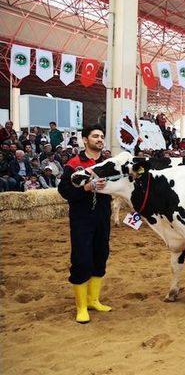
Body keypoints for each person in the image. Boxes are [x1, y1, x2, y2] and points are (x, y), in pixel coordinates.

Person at [58, 124, 112, 323]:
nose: (99, 139)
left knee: (101, 256)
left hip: (103, 216)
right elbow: (64, 191)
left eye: (102, 136)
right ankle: (81, 307)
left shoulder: (108, 163)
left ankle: (93, 300)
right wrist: (86, 188)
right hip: (81, 218)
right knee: (82, 260)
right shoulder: (73, 163)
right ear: (84, 140)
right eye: (95, 136)